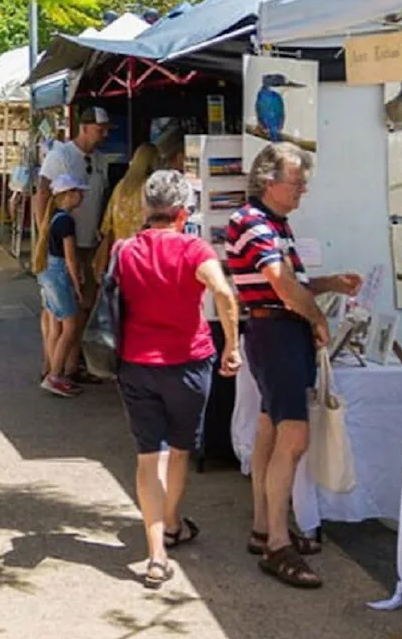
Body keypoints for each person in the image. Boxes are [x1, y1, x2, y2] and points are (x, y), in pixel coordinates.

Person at [227, 142, 360, 590]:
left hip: (277, 332)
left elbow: (290, 284)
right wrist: (317, 315)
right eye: (296, 179)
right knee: (293, 436)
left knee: (270, 429)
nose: (302, 187)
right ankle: (277, 544)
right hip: (276, 334)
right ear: (269, 180)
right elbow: (282, 286)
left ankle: (266, 528)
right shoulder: (253, 222)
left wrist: (329, 284)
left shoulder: (272, 223)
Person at [115, 170, 242, 589]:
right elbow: (223, 292)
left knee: (148, 456)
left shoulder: (126, 249)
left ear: (147, 208)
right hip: (188, 363)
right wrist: (232, 345)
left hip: (137, 362)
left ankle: (156, 554)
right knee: (182, 448)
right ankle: (171, 523)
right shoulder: (193, 248)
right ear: (184, 211)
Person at [33, 105, 110, 382]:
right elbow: (41, 193)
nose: (103, 135)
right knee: (58, 311)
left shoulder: (100, 160)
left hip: (89, 241)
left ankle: (70, 365)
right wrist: (46, 236)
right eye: (99, 130)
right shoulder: (61, 155)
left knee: (82, 305)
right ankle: (52, 365)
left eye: (106, 130)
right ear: (85, 127)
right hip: (63, 244)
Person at [38, 174, 86, 397]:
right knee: (70, 327)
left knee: (55, 326)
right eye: (78, 191)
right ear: (67, 195)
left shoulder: (54, 218)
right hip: (59, 275)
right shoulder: (66, 221)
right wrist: (77, 284)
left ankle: (53, 370)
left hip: (48, 273)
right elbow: (70, 257)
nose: (81, 196)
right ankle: (55, 374)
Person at [94, 142, 161, 280]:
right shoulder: (151, 186)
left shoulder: (121, 186)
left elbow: (107, 224)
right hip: (144, 256)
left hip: (120, 255)